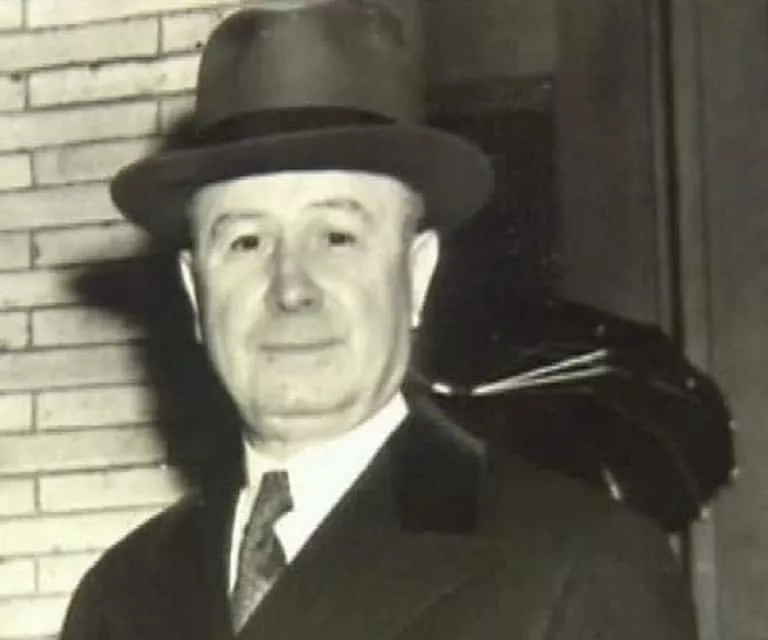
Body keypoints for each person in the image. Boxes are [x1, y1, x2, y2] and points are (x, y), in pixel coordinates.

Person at [60, 3, 698, 639]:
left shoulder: (580, 563)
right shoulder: (120, 597)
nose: (291, 289)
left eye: (336, 237)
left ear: (416, 273)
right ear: (195, 292)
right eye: (246, 242)